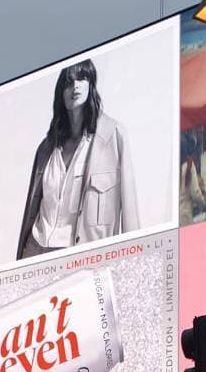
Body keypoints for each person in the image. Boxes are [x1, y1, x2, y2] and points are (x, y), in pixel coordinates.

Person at [17, 59, 138, 258]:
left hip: (79, 255)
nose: (75, 86)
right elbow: (33, 208)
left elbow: (130, 210)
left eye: (82, 78)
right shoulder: (46, 148)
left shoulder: (113, 136)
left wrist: (133, 262)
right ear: (60, 93)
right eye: (68, 81)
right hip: (35, 249)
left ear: (91, 84)